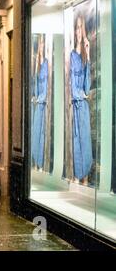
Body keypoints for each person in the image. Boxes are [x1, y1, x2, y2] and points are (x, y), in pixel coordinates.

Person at [70, 13, 93, 183]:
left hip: (82, 106)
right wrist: (79, 95)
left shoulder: (84, 57)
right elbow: (70, 85)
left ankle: (85, 176)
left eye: (81, 28)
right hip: (73, 105)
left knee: (84, 140)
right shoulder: (70, 55)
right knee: (75, 140)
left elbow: (87, 86)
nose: (79, 31)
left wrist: (89, 54)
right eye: (77, 28)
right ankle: (76, 175)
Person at [31, 34, 49, 170]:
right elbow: (36, 86)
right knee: (36, 133)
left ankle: (41, 165)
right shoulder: (37, 64)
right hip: (38, 105)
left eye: (44, 43)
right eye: (40, 43)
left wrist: (40, 99)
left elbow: (47, 87)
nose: (42, 46)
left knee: (42, 134)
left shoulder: (47, 63)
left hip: (44, 105)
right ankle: (36, 164)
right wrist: (35, 98)